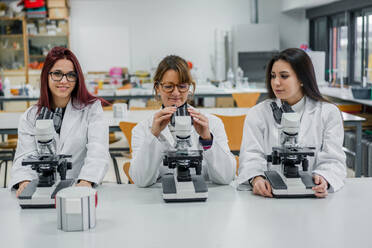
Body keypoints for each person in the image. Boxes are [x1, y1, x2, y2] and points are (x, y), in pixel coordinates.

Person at [237, 48, 346, 198]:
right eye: (273, 76)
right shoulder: (258, 114)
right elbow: (251, 155)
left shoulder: (328, 113)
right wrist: (256, 178)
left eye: (284, 76)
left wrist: (325, 177)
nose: (276, 82)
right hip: (269, 198)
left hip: (312, 199)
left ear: (302, 79)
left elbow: (333, 159)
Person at [10, 47, 110, 196]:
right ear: (46, 76)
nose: (64, 81)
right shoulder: (30, 116)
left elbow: (98, 150)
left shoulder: (91, 109)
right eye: (57, 74)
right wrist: (25, 182)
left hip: (79, 190)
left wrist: (86, 180)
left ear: (77, 78)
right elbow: (24, 156)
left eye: (71, 75)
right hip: (42, 190)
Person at [130, 55, 236, 187]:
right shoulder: (143, 129)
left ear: (189, 87)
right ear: (157, 87)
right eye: (169, 86)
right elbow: (140, 180)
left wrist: (207, 140)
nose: (176, 93)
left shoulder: (213, 123)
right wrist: (153, 135)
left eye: (182, 86)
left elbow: (227, 177)